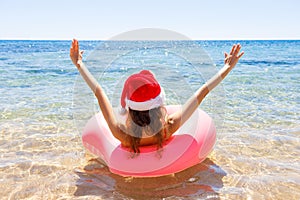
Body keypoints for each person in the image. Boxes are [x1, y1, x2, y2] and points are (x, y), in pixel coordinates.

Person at [70, 39, 244, 154]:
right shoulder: (168, 128)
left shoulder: (124, 135)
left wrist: (80, 64)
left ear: (131, 109)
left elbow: (99, 92)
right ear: (160, 107)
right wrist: (227, 68)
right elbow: (202, 92)